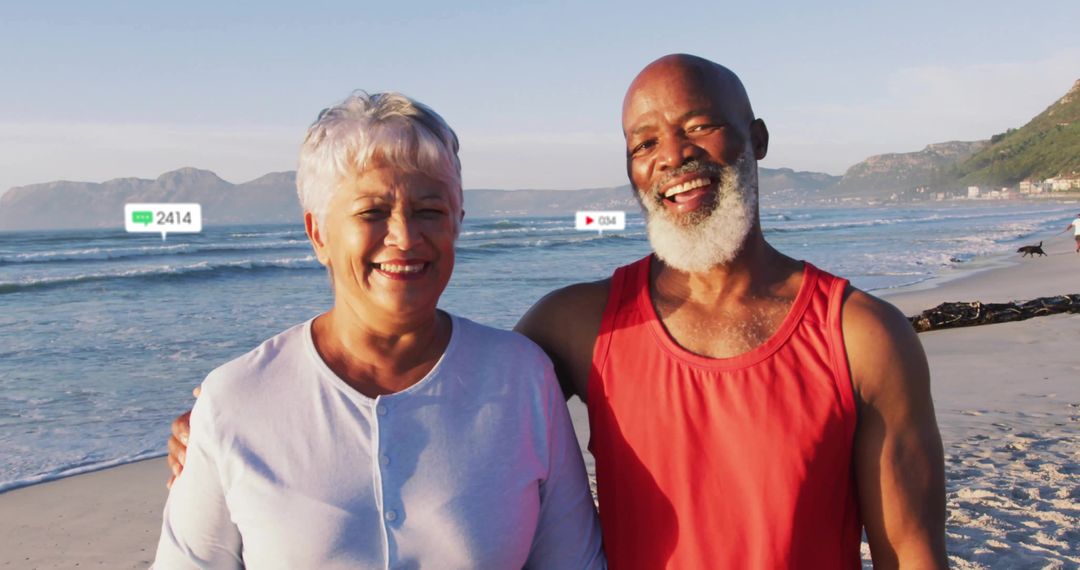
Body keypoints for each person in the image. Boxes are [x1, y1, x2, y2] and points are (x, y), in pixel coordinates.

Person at [169, 55, 948, 568]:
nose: (672, 154)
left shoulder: (859, 335)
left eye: (699, 124)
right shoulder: (581, 326)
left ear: (758, 138)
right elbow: (448, 402)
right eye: (645, 140)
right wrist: (226, 422)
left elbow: (913, 554)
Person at [153, 92, 604, 569]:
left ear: (457, 223)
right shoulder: (236, 401)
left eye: (429, 210)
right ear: (319, 233)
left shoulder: (522, 379)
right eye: (372, 212)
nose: (405, 237)